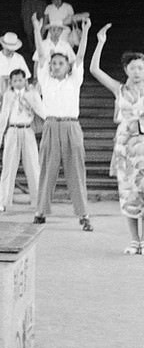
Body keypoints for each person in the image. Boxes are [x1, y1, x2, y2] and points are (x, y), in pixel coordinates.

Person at [30, 13, 92, 231]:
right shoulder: (45, 79)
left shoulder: (74, 79)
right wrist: (37, 29)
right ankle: (40, 212)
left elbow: (82, 56)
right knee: (47, 168)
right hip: (51, 125)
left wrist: (85, 32)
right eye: (54, 63)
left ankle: (83, 214)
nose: (56, 66)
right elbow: (40, 53)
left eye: (61, 63)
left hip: (71, 126)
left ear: (67, 66)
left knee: (76, 169)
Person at [88, 24, 144, 253]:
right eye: (134, 68)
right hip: (125, 148)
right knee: (129, 193)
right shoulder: (118, 89)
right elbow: (94, 69)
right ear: (126, 69)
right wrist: (100, 42)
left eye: (141, 68)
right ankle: (134, 241)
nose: (138, 72)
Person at [0, 68, 42, 214]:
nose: (18, 83)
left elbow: (41, 110)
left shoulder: (32, 94)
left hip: (27, 130)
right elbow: (3, 115)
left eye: (20, 80)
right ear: (11, 83)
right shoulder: (8, 95)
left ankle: (38, 201)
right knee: (8, 167)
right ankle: (3, 202)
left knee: (33, 166)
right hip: (12, 130)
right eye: (15, 81)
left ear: (25, 80)